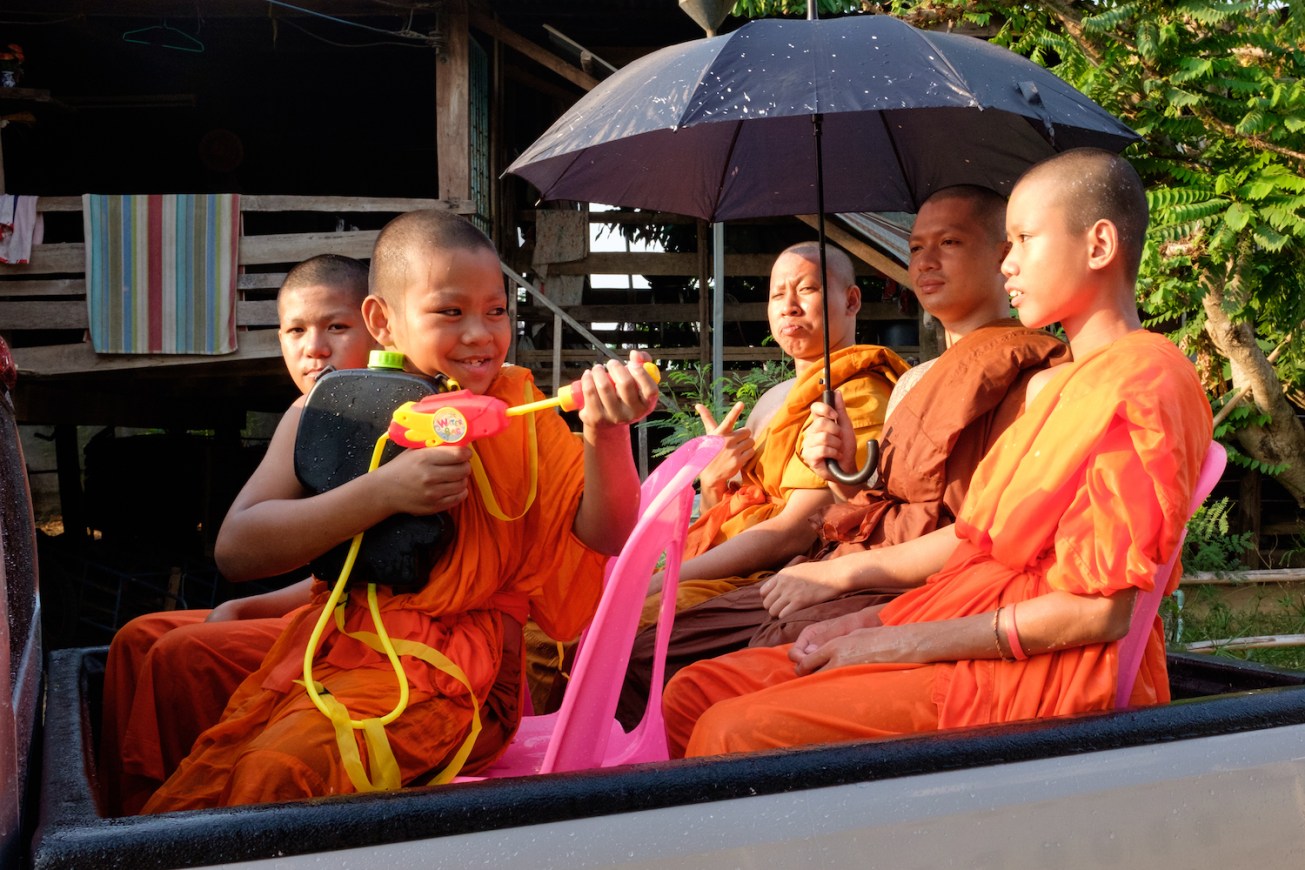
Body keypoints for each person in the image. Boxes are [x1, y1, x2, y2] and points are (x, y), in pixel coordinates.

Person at [662, 148, 1213, 758]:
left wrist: (892, 643)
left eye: (1024, 240)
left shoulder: (1142, 381)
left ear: (1099, 245)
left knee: (729, 730)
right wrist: (862, 612)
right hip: (952, 613)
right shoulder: (1063, 385)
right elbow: (976, 539)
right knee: (693, 691)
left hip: (1034, 672)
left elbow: (1101, 614)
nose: (1008, 262)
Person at [141, 210, 658, 811]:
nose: (480, 334)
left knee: (276, 771)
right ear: (383, 322)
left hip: (463, 676)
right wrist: (384, 492)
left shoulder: (520, 410)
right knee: (198, 740)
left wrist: (606, 432)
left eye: (496, 311)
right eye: (450, 311)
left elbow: (608, 535)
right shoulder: (339, 410)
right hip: (342, 643)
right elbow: (237, 551)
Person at [614, 186, 1068, 727]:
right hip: (841, 563)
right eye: (916, 247)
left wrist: (841, 573)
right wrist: (844, 473)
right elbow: (887, 503)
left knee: (681, 667)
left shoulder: (1028, 373)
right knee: (643, 653)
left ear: (1003, 257)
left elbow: (980, 529)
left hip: (901, 582)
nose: (926, 261)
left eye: (949, 242)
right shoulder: (916, 380)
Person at [528, 241, 906, 713]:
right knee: (548, 621)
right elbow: (731, 514)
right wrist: (712, 483)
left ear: (851, 301)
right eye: (777, 294)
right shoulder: (775, 397)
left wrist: (656, 581)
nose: (788, 306)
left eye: (807, 289)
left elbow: (792, 531)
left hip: (767, 578)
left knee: (591, 634)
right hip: (723, 565)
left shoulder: (854, 391)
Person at [98, 254, 378, 816]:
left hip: (371, 631)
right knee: (136, 638)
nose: (314, 349)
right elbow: (306, 569)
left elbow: (372, 581)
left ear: (378, 327)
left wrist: (250, 607)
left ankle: (174, 824)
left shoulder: (395, 412)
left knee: (183, 655)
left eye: (337, 327)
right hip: (328, 604)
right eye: (296, 331)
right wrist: (250, 606)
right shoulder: (307, 412)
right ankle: (116, 817)